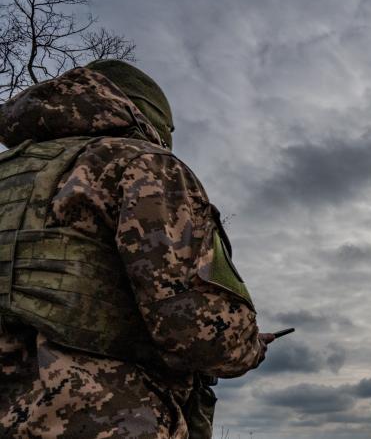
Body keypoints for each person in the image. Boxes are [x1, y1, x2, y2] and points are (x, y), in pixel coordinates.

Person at [0, 60, 273, 438]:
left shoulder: (9, 172)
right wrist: (251, 347)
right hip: (100, 417)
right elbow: (197, 332)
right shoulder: (140, 163)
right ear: (150, 116)